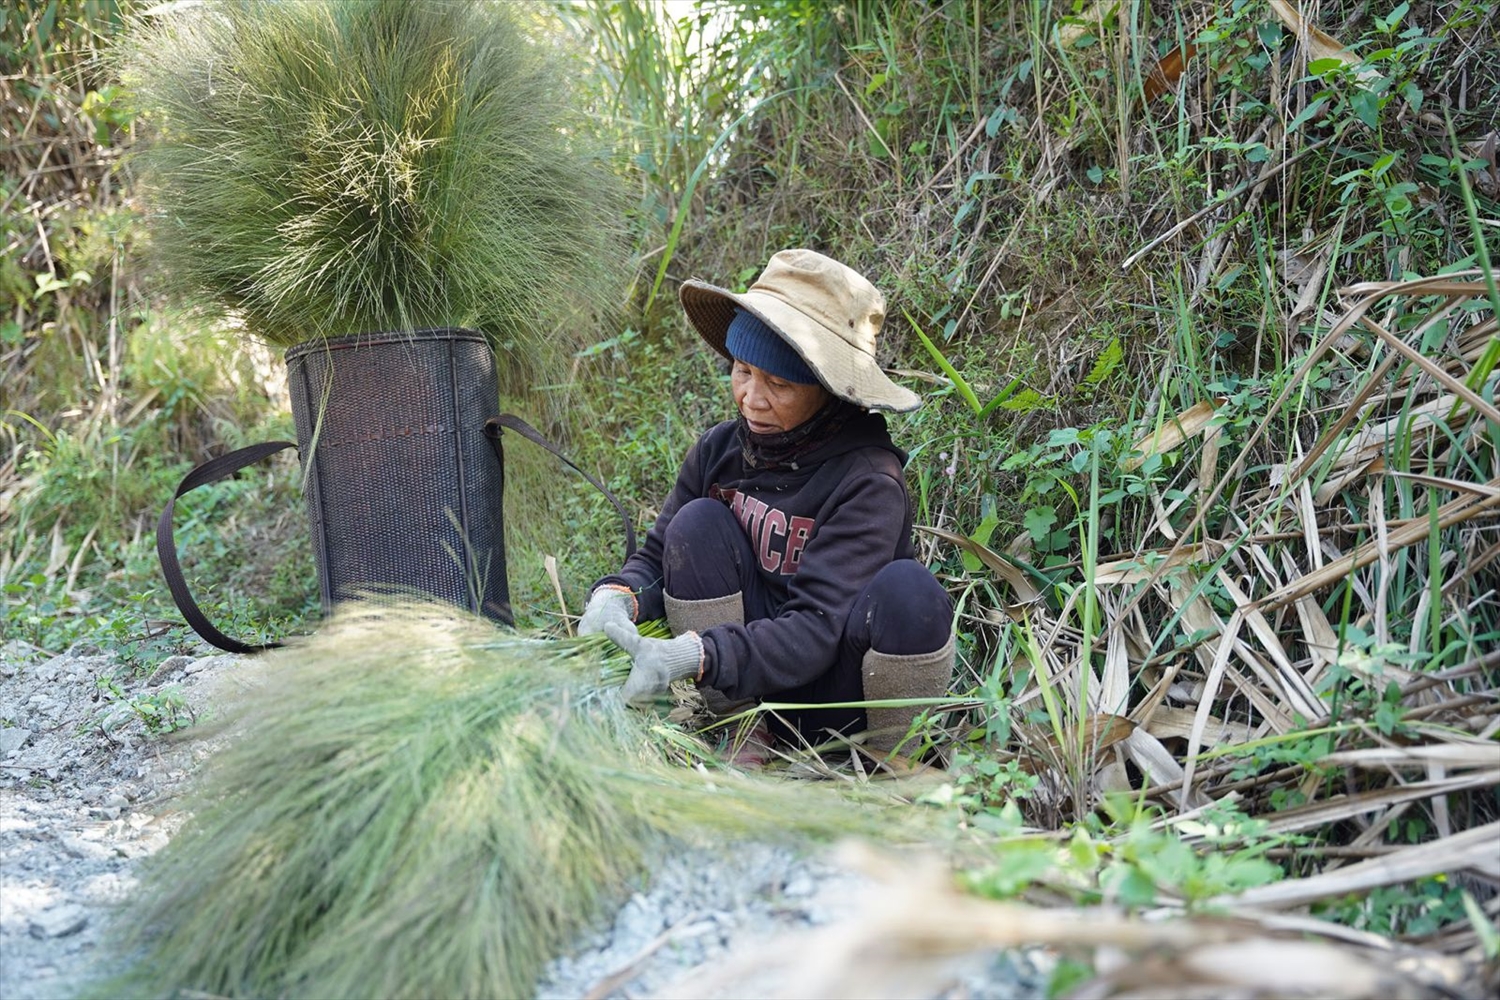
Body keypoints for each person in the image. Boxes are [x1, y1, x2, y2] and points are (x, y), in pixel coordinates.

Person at [579, 248, 954, 755]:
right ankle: (739, 730)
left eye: (779, 384)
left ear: (828, 391)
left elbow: (818, 628)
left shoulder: (867, 481)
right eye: (742, 372)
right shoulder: (720, 452)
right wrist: (618, 597)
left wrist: (694, 655)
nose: (752, 398)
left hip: (838, 699)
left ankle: (897, 763)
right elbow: (659, 554)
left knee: (911, 591)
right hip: (742, 689)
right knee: (697, 524)